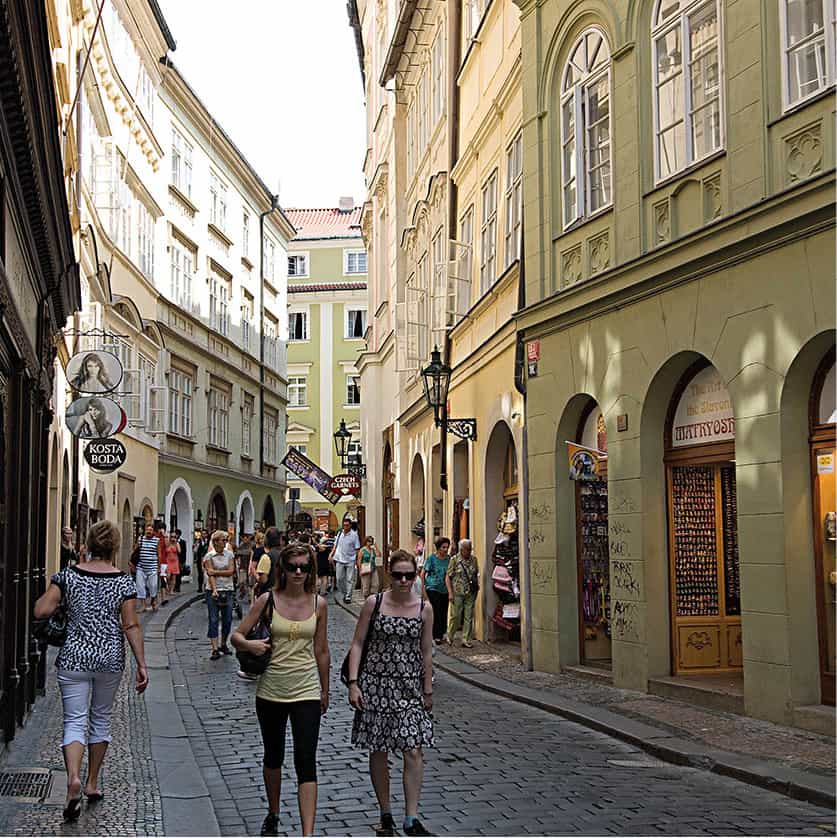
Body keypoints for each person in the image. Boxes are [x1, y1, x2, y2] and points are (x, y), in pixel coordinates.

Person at [33, 520, 148, 822]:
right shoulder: (124, 582)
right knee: (100, 718)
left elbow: (41, 611)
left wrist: (60, 600)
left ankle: (72, 777)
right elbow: (131, 624)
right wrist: (141, 664)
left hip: (73, 657)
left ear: (89, 543)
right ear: (114, 547)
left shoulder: (67, 577)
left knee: (74, 719)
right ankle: (92, 782)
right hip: (109, 659)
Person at [231, 545, 330, 838]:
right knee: (273, 756)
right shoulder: (267, 600)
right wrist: (251, 645)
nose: (298, 572)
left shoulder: (319, 604)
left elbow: (322, 650)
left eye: (304, 567)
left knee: (306, 760)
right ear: (282, 570)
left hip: (306, 690)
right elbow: (237, 635)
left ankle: (307, 832)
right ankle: (273, 812)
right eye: (292, 567)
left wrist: (325, 690)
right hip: (271, 690)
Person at [347, 550, 434, 837]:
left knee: (413, 748)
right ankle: (386, 813)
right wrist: (354, 682)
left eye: (409, 575)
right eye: (398, 575)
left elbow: (426, 650)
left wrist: (428, 688)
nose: (404, 580)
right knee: (379, 749)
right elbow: (358, 643)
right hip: (376, 685)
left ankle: (412, 817)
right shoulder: (375, 603)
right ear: (390, 576)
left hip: (409, 687)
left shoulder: (424, 608)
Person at [204, 530, 235, 660]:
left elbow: (231, 571)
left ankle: (223, 644)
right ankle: (215, 648)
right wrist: (214, 589)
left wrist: (215, 572)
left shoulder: (229, 555)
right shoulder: (209, 556)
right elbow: (209, 575)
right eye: (223, 540)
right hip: (212, 590)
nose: (225, 542)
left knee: (228, 619)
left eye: (226, 540)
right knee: (213, 619)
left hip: (227, 589)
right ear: (216, 541)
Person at [445, 538, 479, 648]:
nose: (469, 552)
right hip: (457, 592)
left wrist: (476, 588)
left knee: (468, 616)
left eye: (470, 549)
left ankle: (466, 639)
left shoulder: (474, 560)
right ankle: (450, 635)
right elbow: (448, 577)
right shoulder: (454, 560)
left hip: (470, 592)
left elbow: (475, 574)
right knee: (455, 615)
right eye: (467, 550)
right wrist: (450, 592)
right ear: (461, 549)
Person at [422, 537, 451, 644]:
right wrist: (423, 588)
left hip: (444, 589)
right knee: (436, 611)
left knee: (444, 611)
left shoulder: (449, 559)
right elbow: (423, 573)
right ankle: (436, 635)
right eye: (443, 547)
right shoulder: (432, 558)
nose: (445, 549)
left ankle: (443, 632)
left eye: (447, 547)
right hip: (432, 588)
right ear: (438, 548)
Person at [330, 517, 360, 604]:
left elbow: (357, 548)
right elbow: (335, 546)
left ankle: (348, 596)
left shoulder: (354, 535)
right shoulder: (340, 534)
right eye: (344, 525)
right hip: (339, 559)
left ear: (350, 525)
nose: (345, 527)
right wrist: (331, 554)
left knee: (349, 579)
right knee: (339, 578)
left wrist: (357, 560)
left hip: (350, 559)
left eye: (347, 525)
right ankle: (344, 593)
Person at [133, 523, 162, 613]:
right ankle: (143, 605)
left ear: (153, 531)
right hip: (141, 568)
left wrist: (159, 567)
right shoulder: (141, 539)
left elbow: (159, 555)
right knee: (140, 586)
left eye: (150, 530)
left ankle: (153, 600)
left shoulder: (156, 541)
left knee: (153, 586)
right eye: (147, 530)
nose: (149, 532)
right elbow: (135, 550)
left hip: (152, 567)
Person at [255, 527, 283, 596]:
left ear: (266, 540)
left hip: (269, 595)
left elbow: (263, 580)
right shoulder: (285, 555)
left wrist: (258, 581)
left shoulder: (266, 557)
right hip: (283, 594)